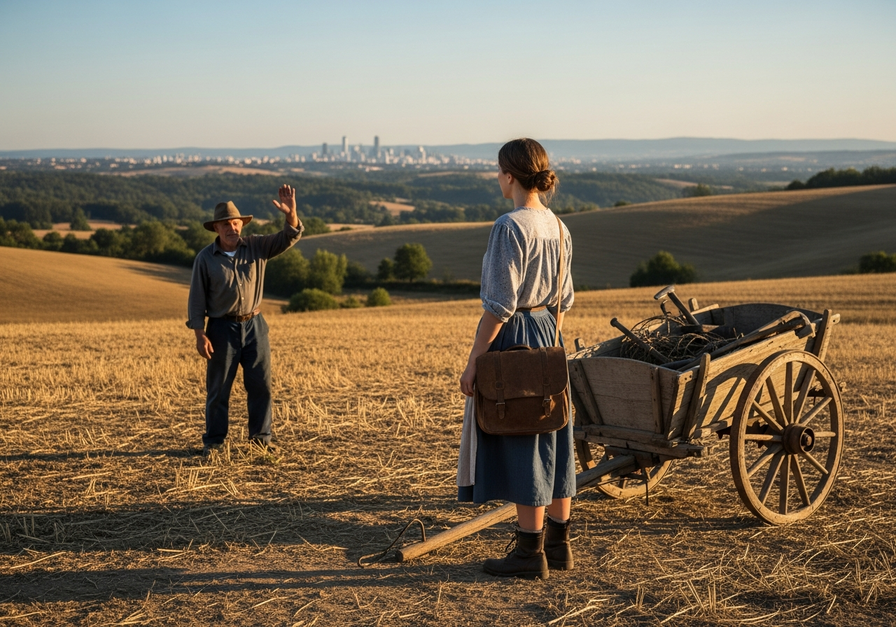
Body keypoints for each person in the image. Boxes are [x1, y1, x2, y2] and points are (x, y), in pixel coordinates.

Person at [458, 138, 575, 580]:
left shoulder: (510, 226)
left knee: (527, 435)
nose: (497, 178)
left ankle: (530, 554)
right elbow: (565, 298)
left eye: (498, 171)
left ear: (509, 175)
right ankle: (560, 544)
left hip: (516, 334)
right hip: (549, 331)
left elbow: (498, 306)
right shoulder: (560, 227)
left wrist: (474, 361)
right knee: (555, 434)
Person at [186, 185, 304, 455]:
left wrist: (291, 215)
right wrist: (199, 334)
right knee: (218, 390)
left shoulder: (257, 246)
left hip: (255, 326)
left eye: (236, 223)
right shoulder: (205, 258)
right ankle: (214, 442)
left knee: (261, 385)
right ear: (216, 228)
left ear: (242, 225)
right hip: (221, 328)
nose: (232, 228)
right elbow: (196, 300)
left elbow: (289, 237)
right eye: (226, 224)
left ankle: (261, 440)